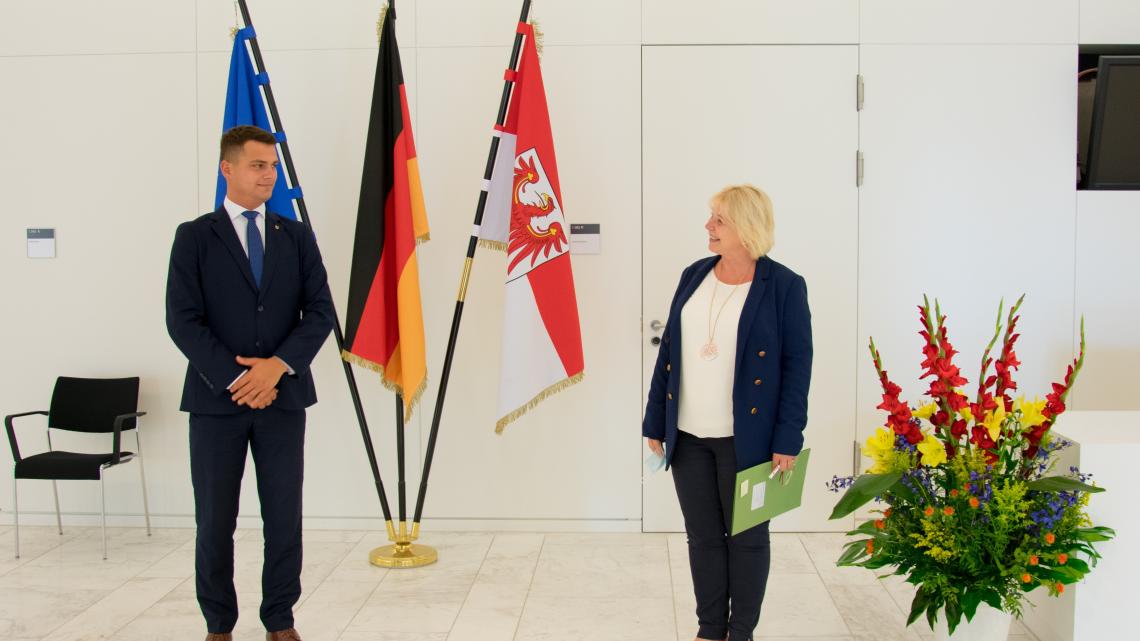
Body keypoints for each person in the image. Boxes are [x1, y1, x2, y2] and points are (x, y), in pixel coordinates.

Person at [166, 125, 334, 641]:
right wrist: (240, 378)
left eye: (273, 166)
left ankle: (280, 620)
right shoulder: (194, 237)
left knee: (284, 517)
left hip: (283, 401)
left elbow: (321, 312)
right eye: (258, 165)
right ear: (228, 168)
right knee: (215, 521)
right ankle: (219, 624)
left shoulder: (296, 235)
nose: (269, 174)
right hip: (217, 404)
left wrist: (276, 367)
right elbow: (183, 320)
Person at [643, 184, 813, 641]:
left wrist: (787, 438)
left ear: (746, 227)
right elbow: (670, 354)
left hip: (750, 440)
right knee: (702, 538)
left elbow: (798, 368)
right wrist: (654, 421)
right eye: (711, 218)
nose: (708, 227)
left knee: (748, 539)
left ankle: (741, 633)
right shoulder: (694, 274)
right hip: (688, 435)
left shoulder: (784, 286)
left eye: (719, 220)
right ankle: (709, 628)